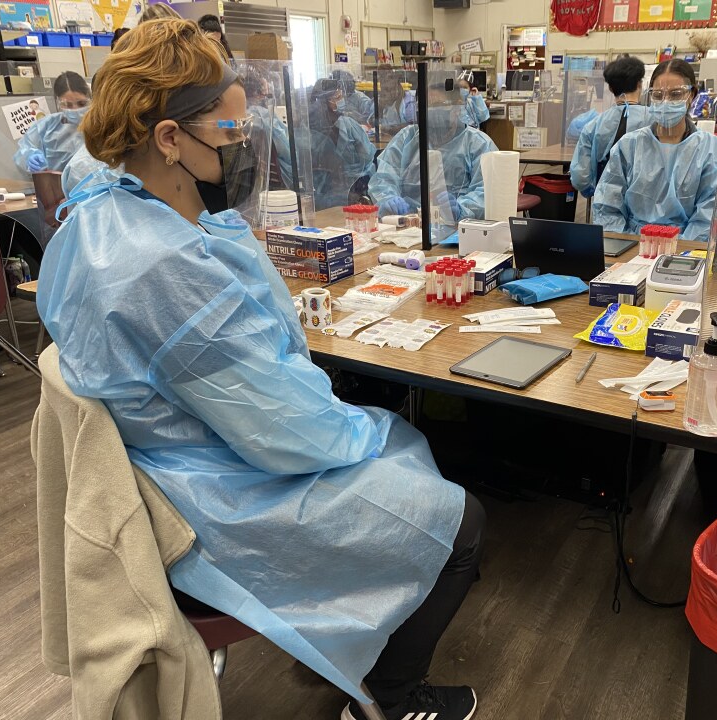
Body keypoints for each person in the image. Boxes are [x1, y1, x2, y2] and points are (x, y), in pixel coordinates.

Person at [35, 20, 483, 720]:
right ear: (169, 139)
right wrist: (365, 428)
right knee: (458, 520)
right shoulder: (164, 268)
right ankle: (389, 698)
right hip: (213, 503)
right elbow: (289, 433)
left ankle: (351, 636)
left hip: (170, 467)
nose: (245, 148)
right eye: (232, 133)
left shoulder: (102, 215)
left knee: (383, 437)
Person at [592, 58, 717, 241]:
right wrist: (627, 246)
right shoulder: (629, 145)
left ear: (691, 95)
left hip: (684, 250)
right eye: (658, 95)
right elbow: (607, 208)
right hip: (632, 244)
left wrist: (679, 250)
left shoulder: (710, 150)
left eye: (676, 94)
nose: (665, 102)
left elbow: (708, 216)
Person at [369, 81, 498, 224]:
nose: (431, 113)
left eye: (437, 105)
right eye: (426, 106)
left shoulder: (478, 145)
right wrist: (387, 199)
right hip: (408, 226)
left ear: (457, 108)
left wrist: (461, 209)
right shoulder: (406, 139)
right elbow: (384, 178)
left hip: (459, 230)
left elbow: (487, 192)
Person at [570, 56, 650, 199]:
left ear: (610, 88)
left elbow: (580, 177)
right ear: (640, 84)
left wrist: (595, 190)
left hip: (606, 200)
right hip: (647, 202)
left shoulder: (593, 125)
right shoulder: (657, 121)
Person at [307, 78, 376, 208]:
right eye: (338, 97)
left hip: (319, 197)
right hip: (352, 191)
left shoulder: (308, 128)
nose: (342, 99)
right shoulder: (348, 125)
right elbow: (367, 155)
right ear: (327, 101)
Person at [13, 71, 91, 176]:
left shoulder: (102, 125)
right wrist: (29, 157)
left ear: (90, 99)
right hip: (54, 187)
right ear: (57, 103)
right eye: (67, 105)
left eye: (81, 103)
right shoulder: (45, 127)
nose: (75, 109)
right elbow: (24, 150)